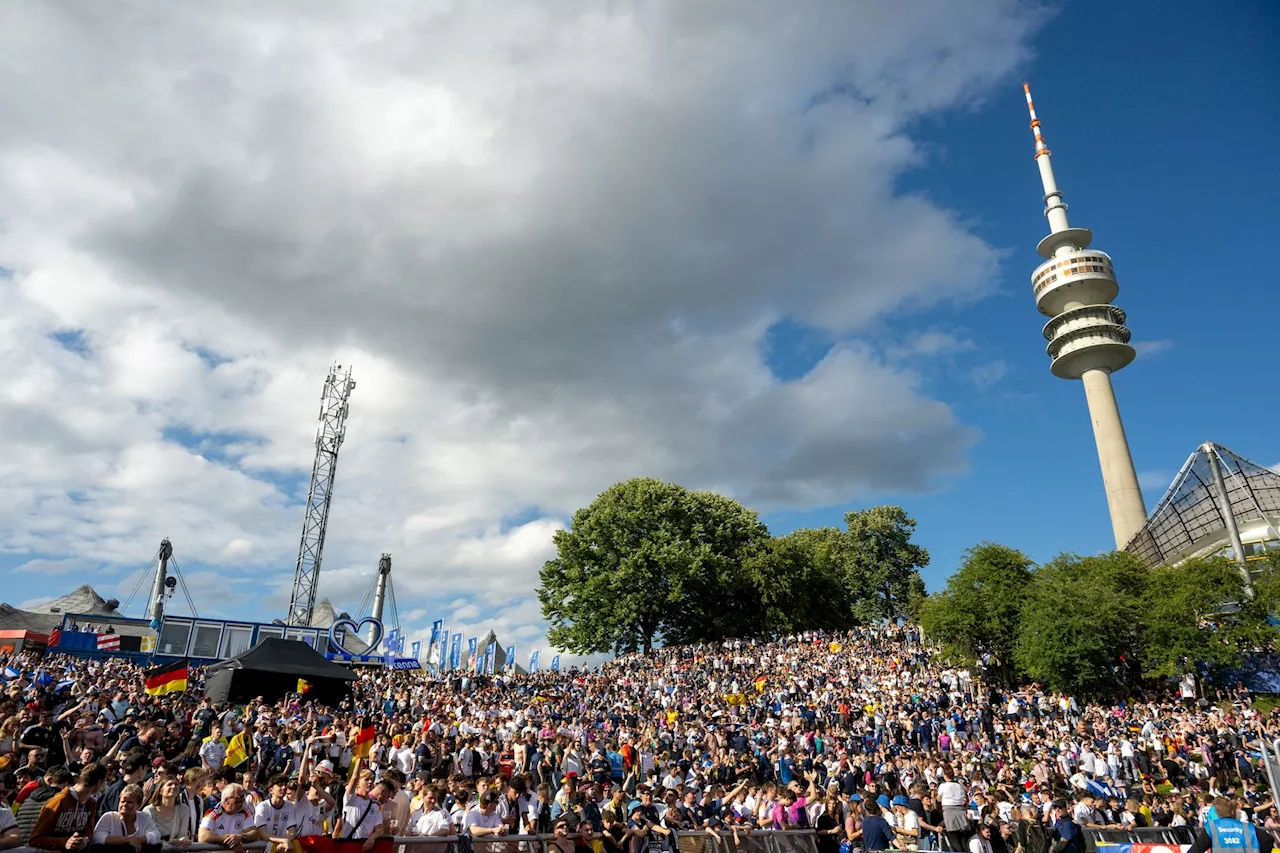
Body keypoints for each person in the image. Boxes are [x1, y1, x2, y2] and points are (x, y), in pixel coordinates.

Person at [30, 763, 109, 852]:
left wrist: (85, 839)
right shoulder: (58, 801)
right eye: (104, 782)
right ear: (99, 783)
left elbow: (89, 831)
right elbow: (35, 839)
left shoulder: (90, 803)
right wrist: (64, 842)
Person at [91, 783, 161, 853]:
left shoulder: (144, 817)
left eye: (129, 802)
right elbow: (98, 837)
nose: (125, 805)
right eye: (122, 801)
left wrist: (138, 840)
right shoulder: (109, 817)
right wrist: (128, 840)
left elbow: (156, 835)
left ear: (138, 804)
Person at [1187, 797, 1274, 853]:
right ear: (1233, 811)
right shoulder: (1247, 827)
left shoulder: (1212, 828)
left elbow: (1196, 850)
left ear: (1217, 813)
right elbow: (1268, 839)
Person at [197, 784, 258, 851]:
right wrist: (229, 841)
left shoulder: (244, 812)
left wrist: (241, 837)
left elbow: (254, 832)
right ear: (226, 800)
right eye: (237, 800)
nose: (241, 803)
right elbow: (203, 836)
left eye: (243, 799)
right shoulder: (213, 812)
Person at [142, 775, 194, 845]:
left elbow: (182, 835)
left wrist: (183, 840)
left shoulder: (184, 809)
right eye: (169, 784)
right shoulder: (149, 810)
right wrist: (167, 843)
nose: (173, 787)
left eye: (176, 784)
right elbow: (146, 836)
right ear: (160, 791)